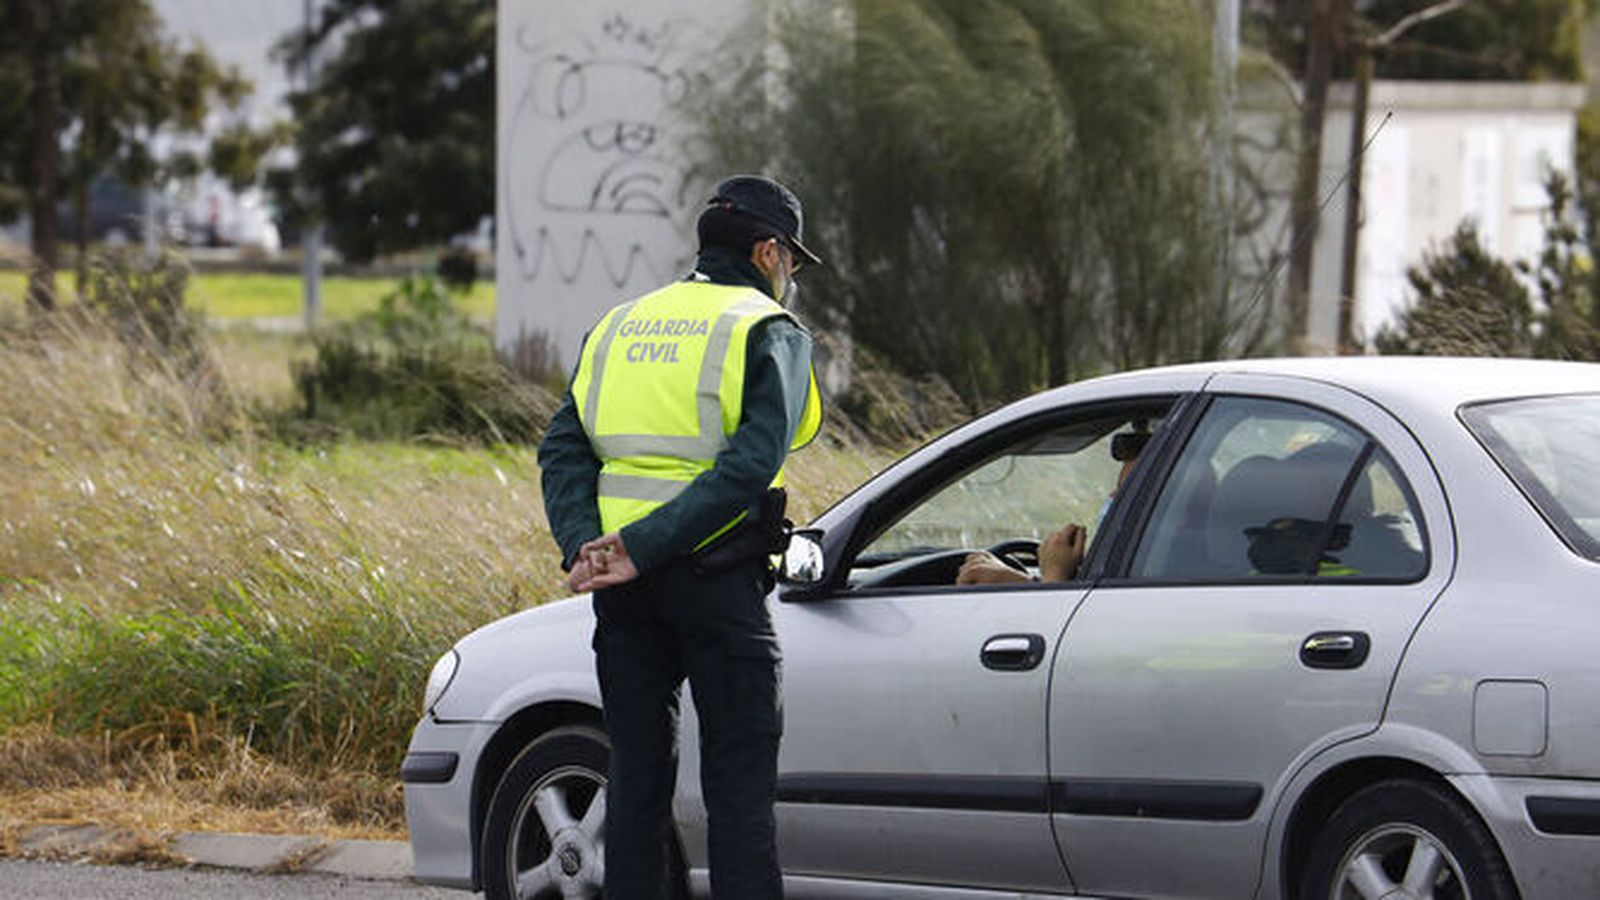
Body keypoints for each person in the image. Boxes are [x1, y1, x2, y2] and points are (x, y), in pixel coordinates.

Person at [537, 174, 823, 899]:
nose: (789, 275)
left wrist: (586, 546)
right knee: (738, 795)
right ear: (767, 253)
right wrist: (643, 547)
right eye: (791, 259)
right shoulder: (766, 329)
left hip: (625, 596)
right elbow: (750, 466)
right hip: (716, 587)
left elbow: (562, 446)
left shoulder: (620, 324)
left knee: (634, 785)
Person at [955, 429, 1149, 585]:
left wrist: (1054, 576)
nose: (1112, 497)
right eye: (1117, 488)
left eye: (1126, 490)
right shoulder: (1149, 567)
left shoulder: (1157, 576)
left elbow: (1077, 628)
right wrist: (1028, 582)